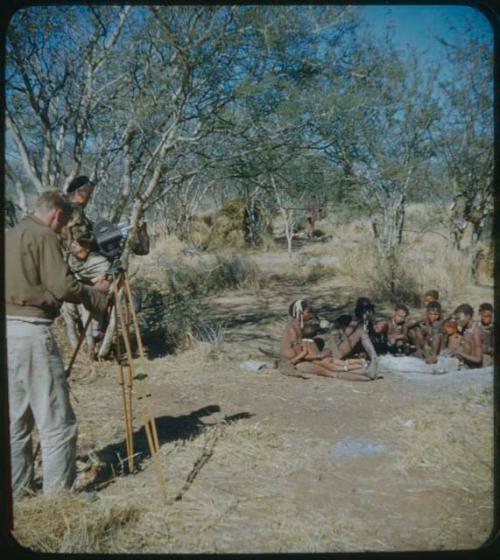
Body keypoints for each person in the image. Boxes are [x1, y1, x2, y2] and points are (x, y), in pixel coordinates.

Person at [5, 191, 110, 498]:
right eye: (64, 221)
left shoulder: (10, 235)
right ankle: (59, 498)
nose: (64, 228)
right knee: (57, 422)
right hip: (32, 333)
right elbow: (62, 285)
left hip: (9, 330)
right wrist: (97, 295)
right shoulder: (44, 236)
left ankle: (18, 490)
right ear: (57, 215)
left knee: (16, 421)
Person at [280, 299, 374, 381]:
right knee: (330, 369)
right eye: (309, 311)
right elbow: (300, 354)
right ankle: (365, 370)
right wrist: (319, 355)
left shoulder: (298, 327)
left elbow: (303, 351)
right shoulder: (293, 329)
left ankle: (365, 369)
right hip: (297, 362)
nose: (311, 314)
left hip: (301, 359)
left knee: (331, 365)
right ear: (300, 312)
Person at [326, 297, 380, 378]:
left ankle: (373, 359)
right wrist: (358, 321)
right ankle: (374, 359)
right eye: (365, 310)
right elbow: (345, 336)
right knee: (361, 331)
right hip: (336, 351)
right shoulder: (349, 320)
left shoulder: (366, 323)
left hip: (344, 351)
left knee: (361, 332)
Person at [477, 303, 494, 367]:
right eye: (483, 316)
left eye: (489, 316)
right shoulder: (476, 327)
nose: (485, 318)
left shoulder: (493, 328)